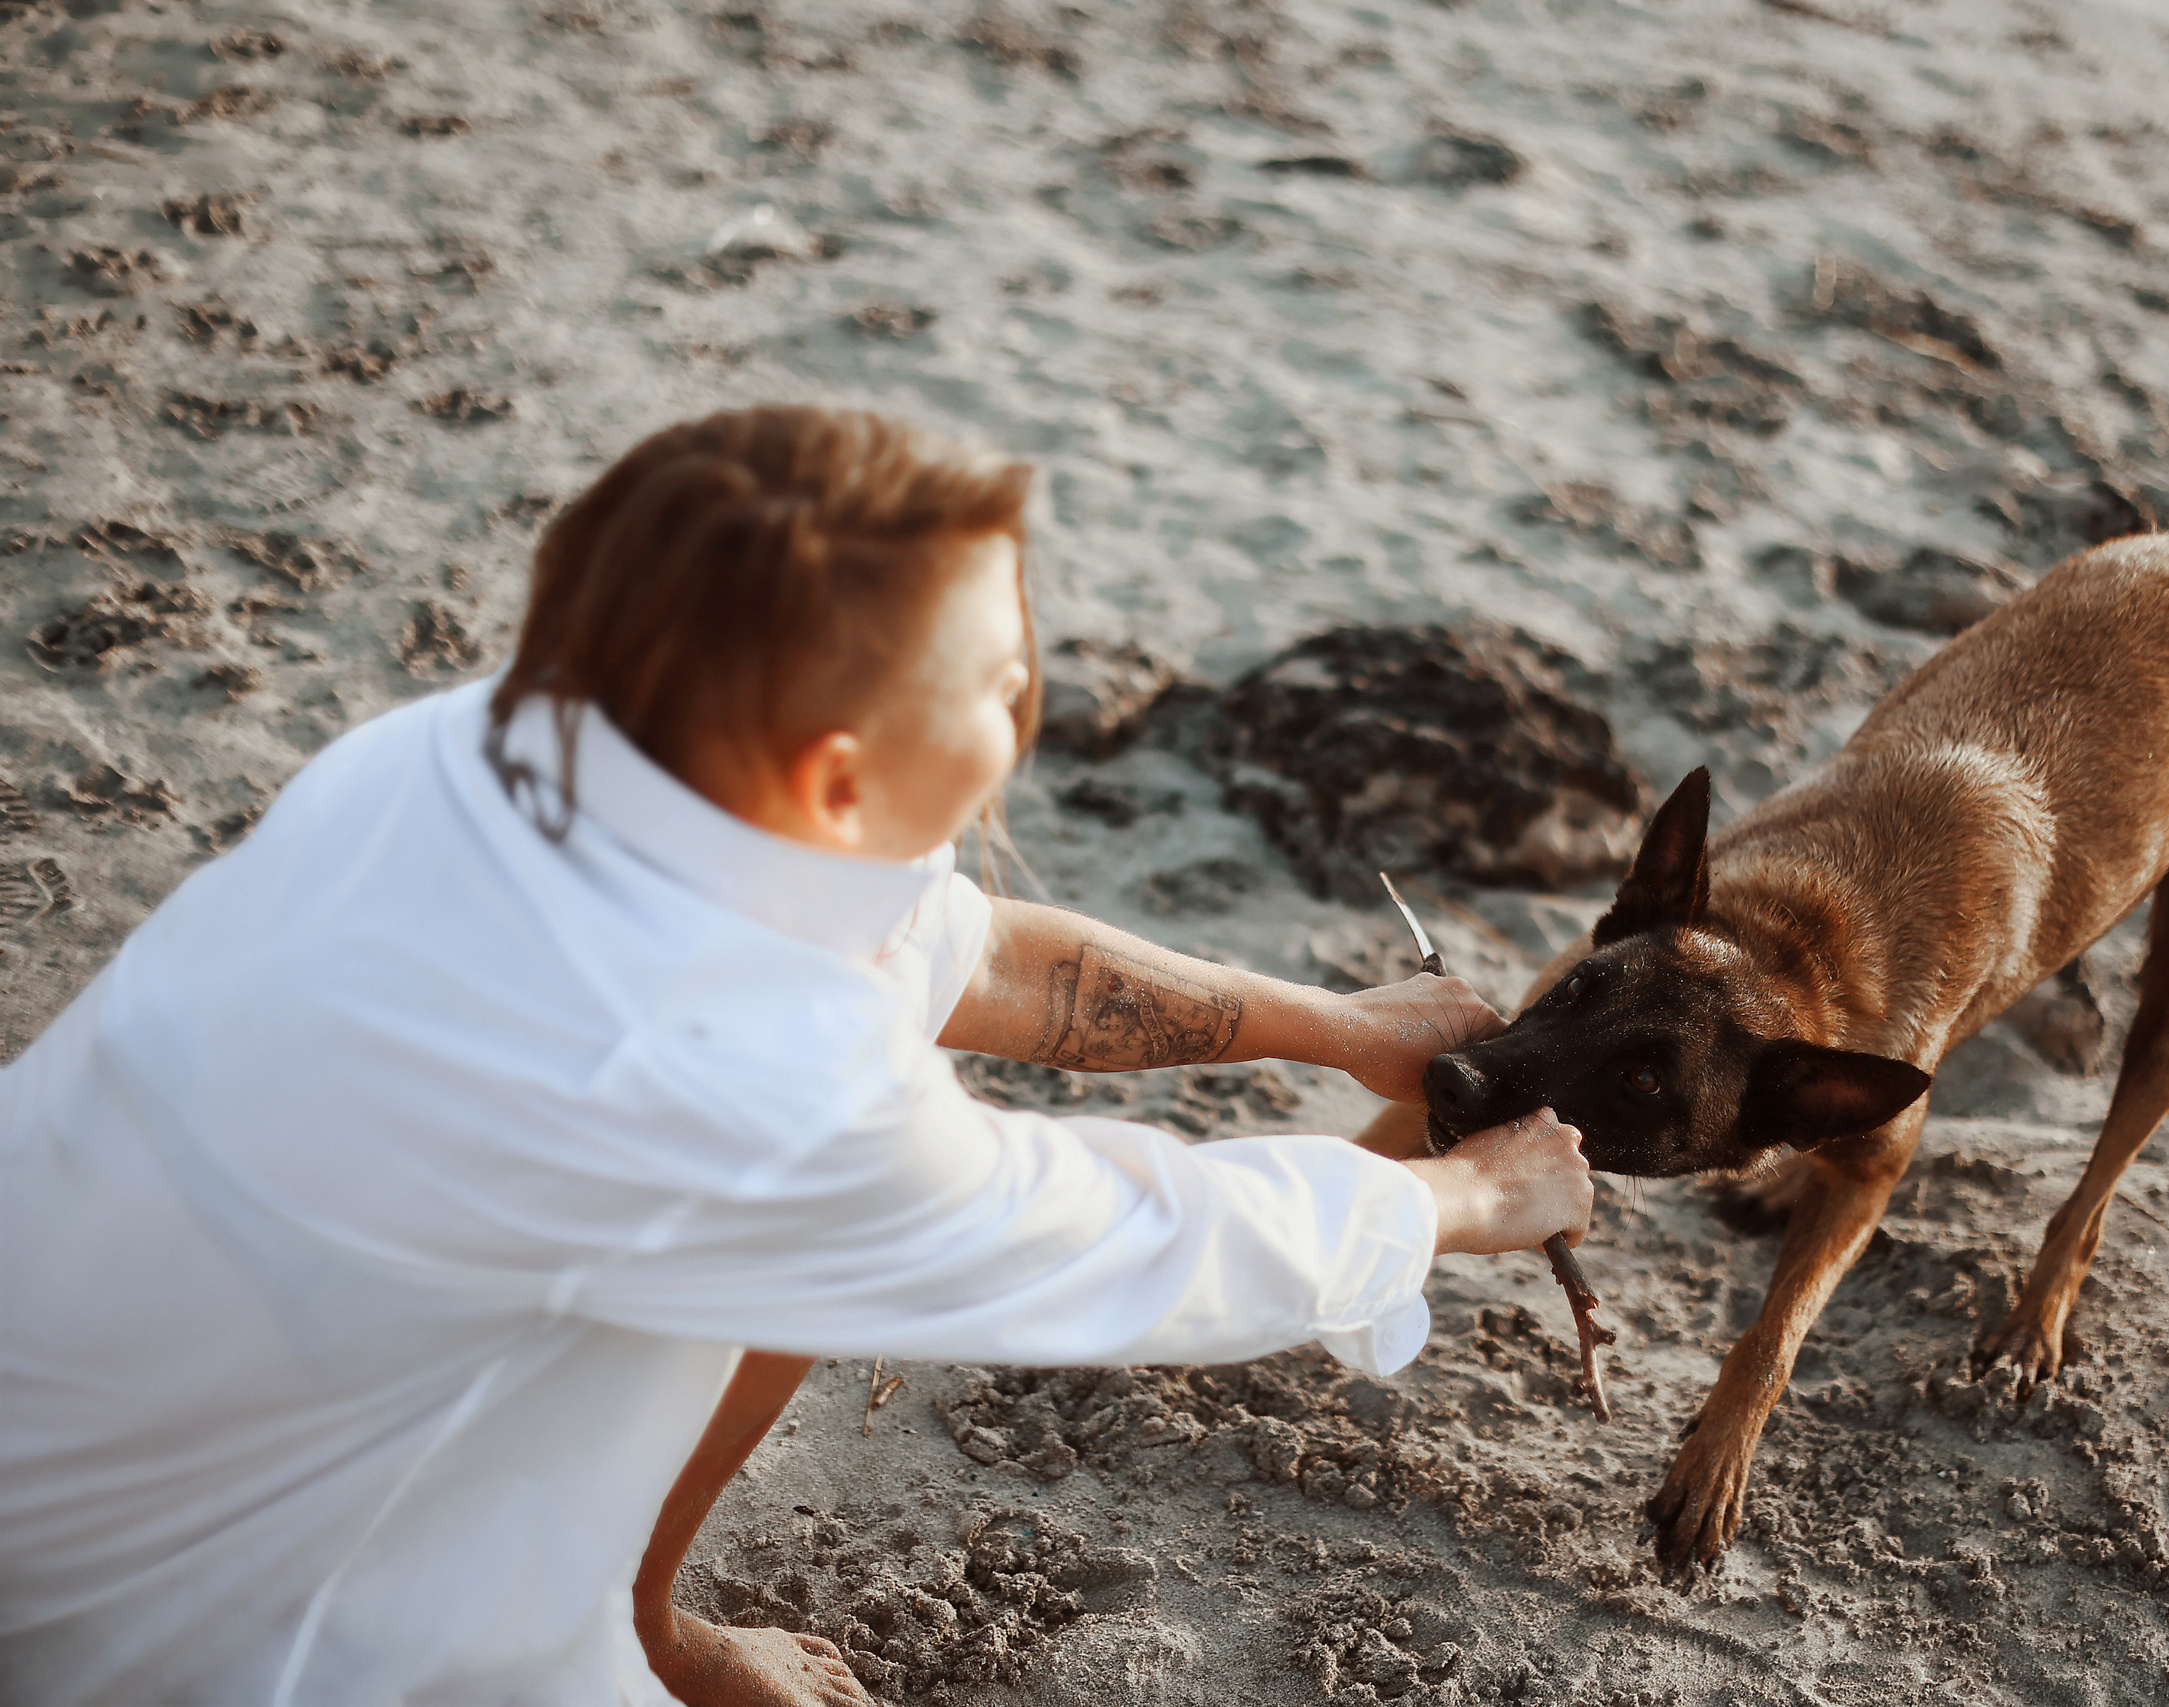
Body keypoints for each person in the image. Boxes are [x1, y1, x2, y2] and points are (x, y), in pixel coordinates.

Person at [0, 406, 1593, 1706]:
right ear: (836, 781)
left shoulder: (493, 753)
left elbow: (977, 959)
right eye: (1006, 683)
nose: (1032, 707)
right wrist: (1461, 1202)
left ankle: (637, 1612)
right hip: (182, 1625)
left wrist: (1344, 1028)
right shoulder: (718, 1078)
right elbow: (1127, 1240)